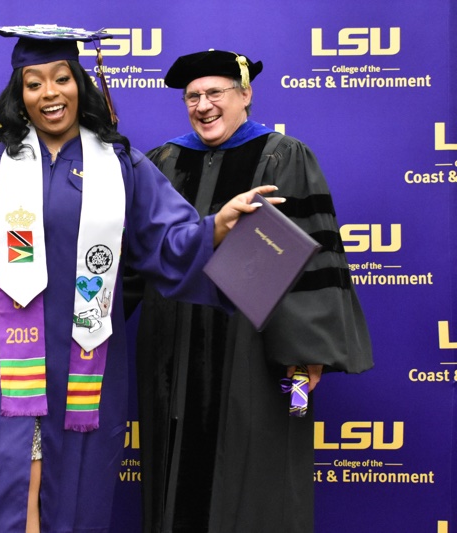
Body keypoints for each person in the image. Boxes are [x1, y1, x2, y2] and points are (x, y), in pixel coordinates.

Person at [0, 26, 281, 533]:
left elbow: (165, 242)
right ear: (19, 95)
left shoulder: (121, 164)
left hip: (84, 352)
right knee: (11, 480)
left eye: (61, 78)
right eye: (34, 82)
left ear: (80, 85)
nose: (49, 93)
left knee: (78, 486)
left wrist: (216, 226)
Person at [135, 49, 374, 533]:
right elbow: (143, 254)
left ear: (245, 94)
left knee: (265, 465)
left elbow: (306, 259)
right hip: (174, 344)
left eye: (215, 93)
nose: (203, 106)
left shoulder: (282, 156)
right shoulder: (163, 161)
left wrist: (306, 357)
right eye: (192, 97)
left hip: (258, 345)